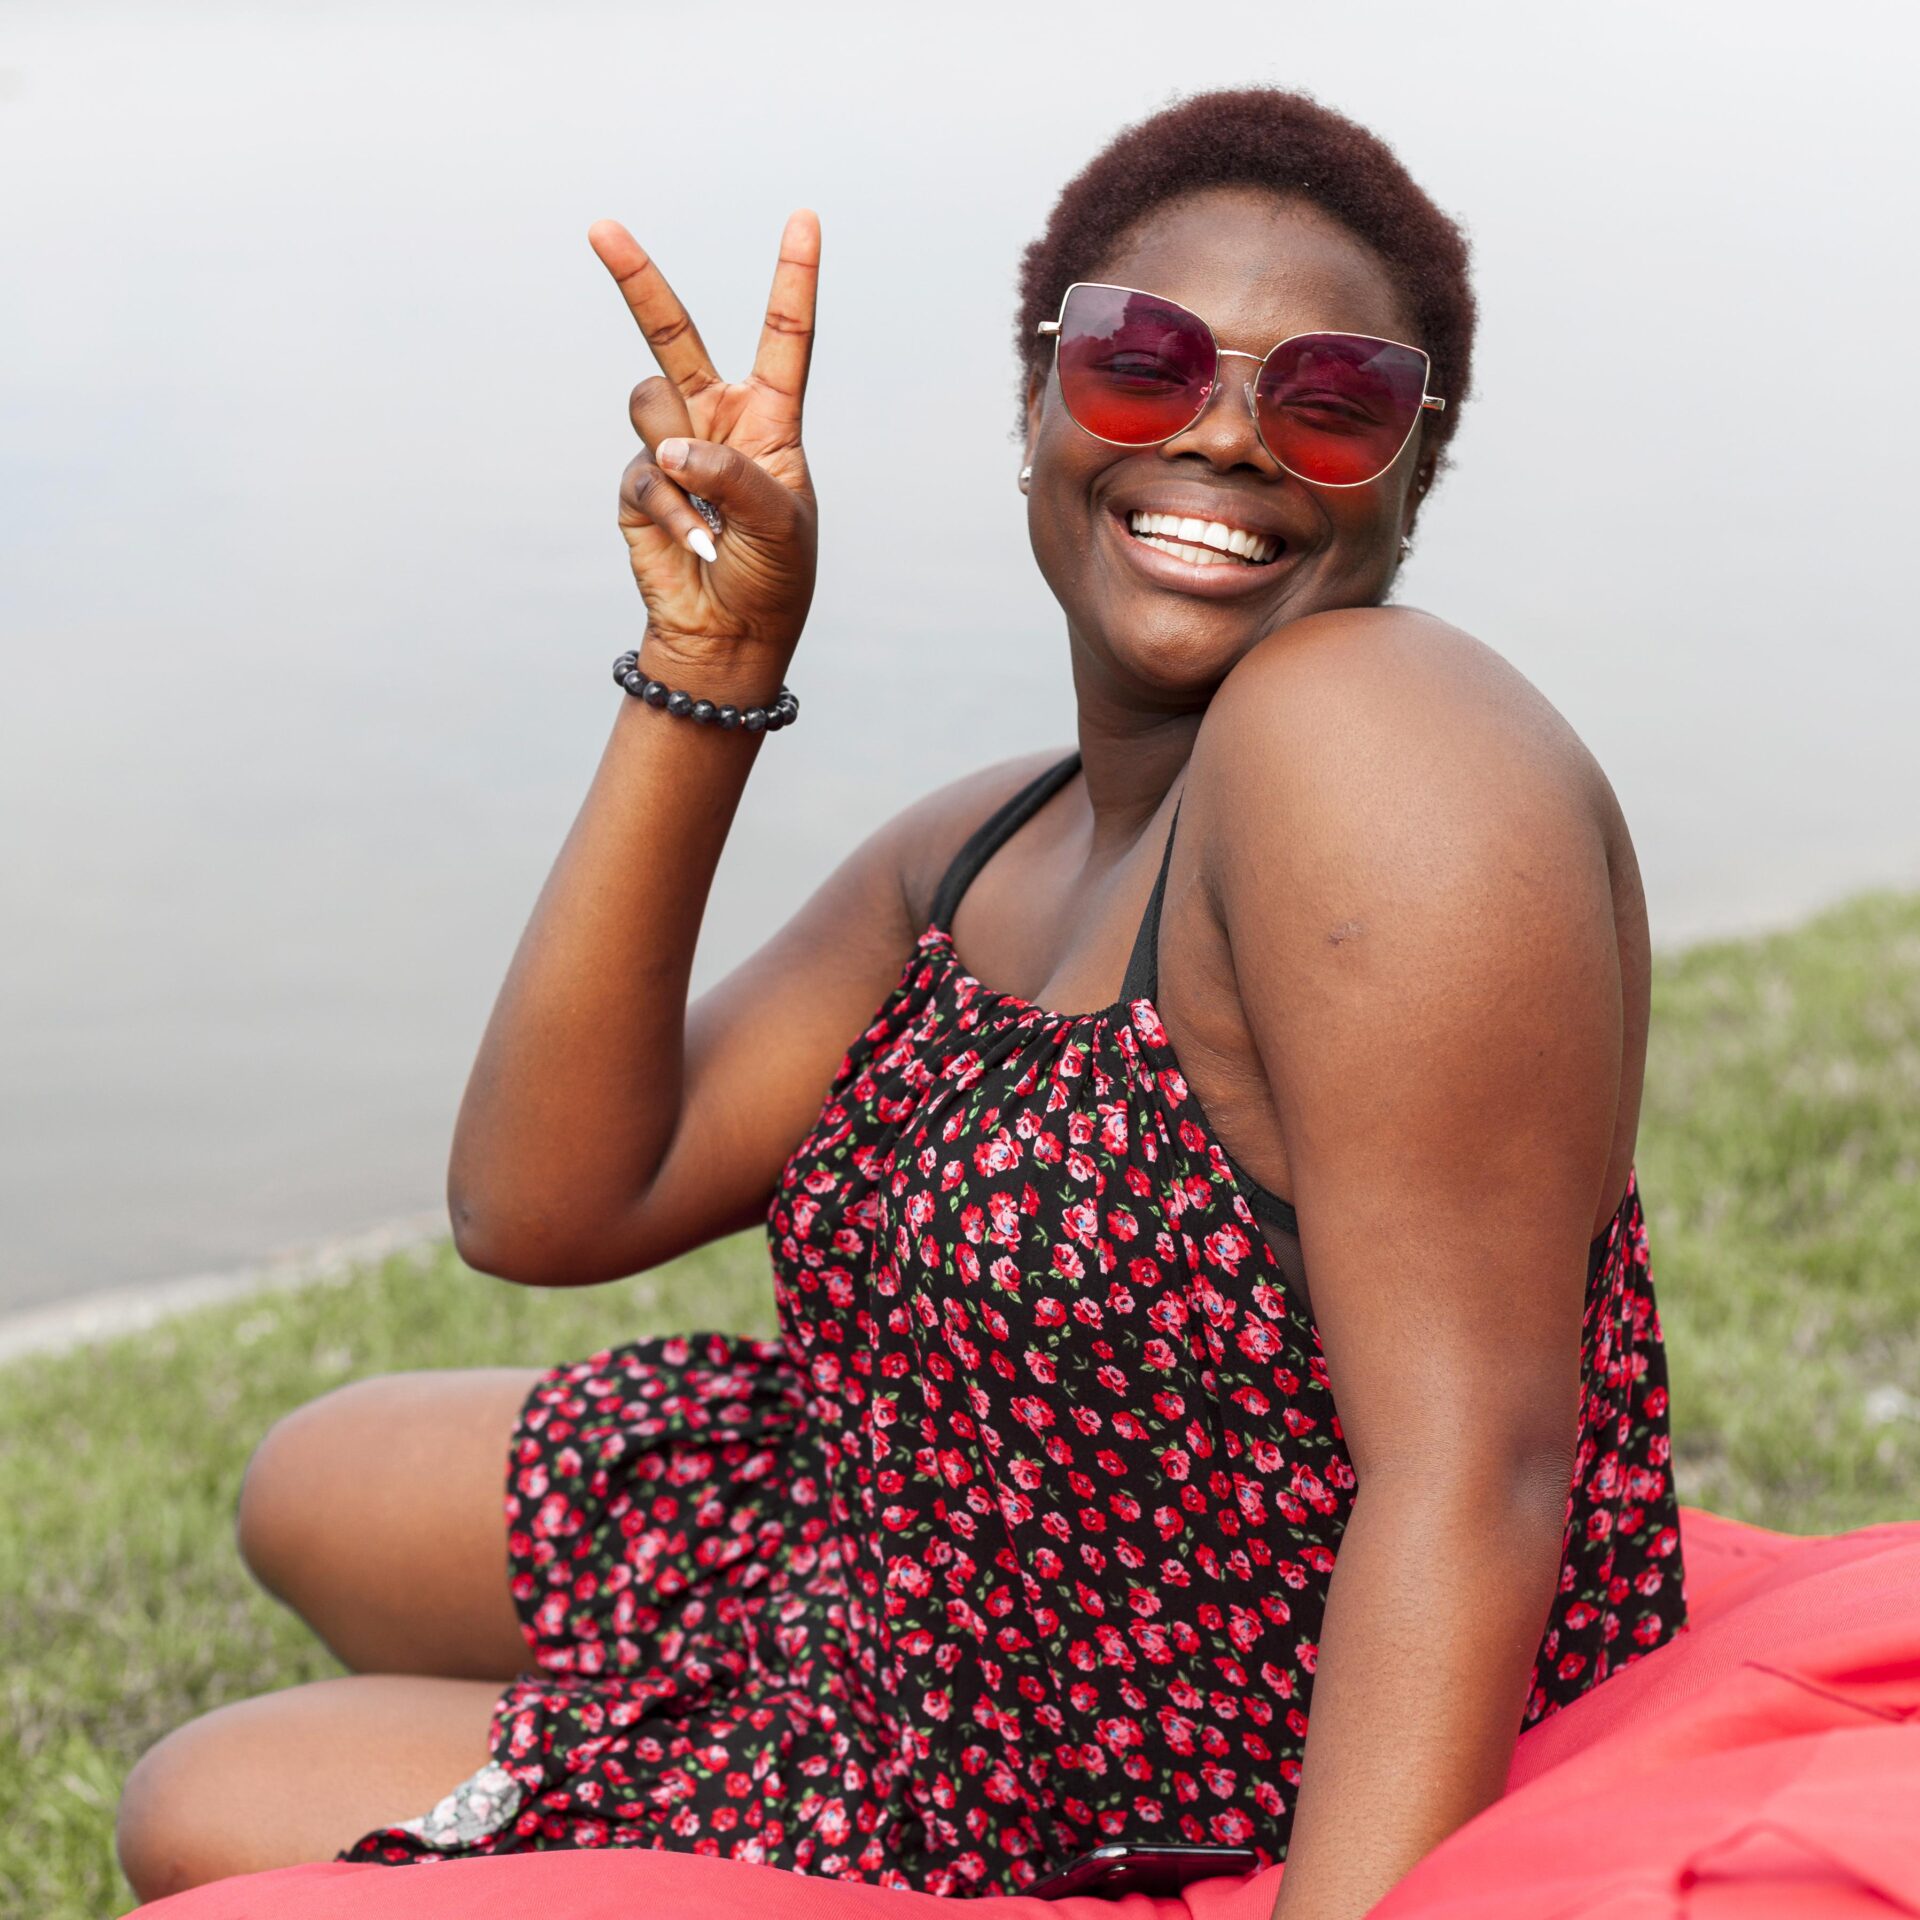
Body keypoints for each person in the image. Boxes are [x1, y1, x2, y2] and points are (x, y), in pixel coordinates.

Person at [115, 85, 1685, 1920]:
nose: (1226, 435)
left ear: (1418, 468)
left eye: (1332, 401)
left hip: (1133, 1764)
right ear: (1035, 412)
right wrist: (711, 664)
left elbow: (1480, 1467)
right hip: (909, 1555)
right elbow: (545, 1204)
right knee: (316, 1484)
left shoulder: (1378, 739)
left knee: (204, 1809)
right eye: (1143, 366)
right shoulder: (993, 841)